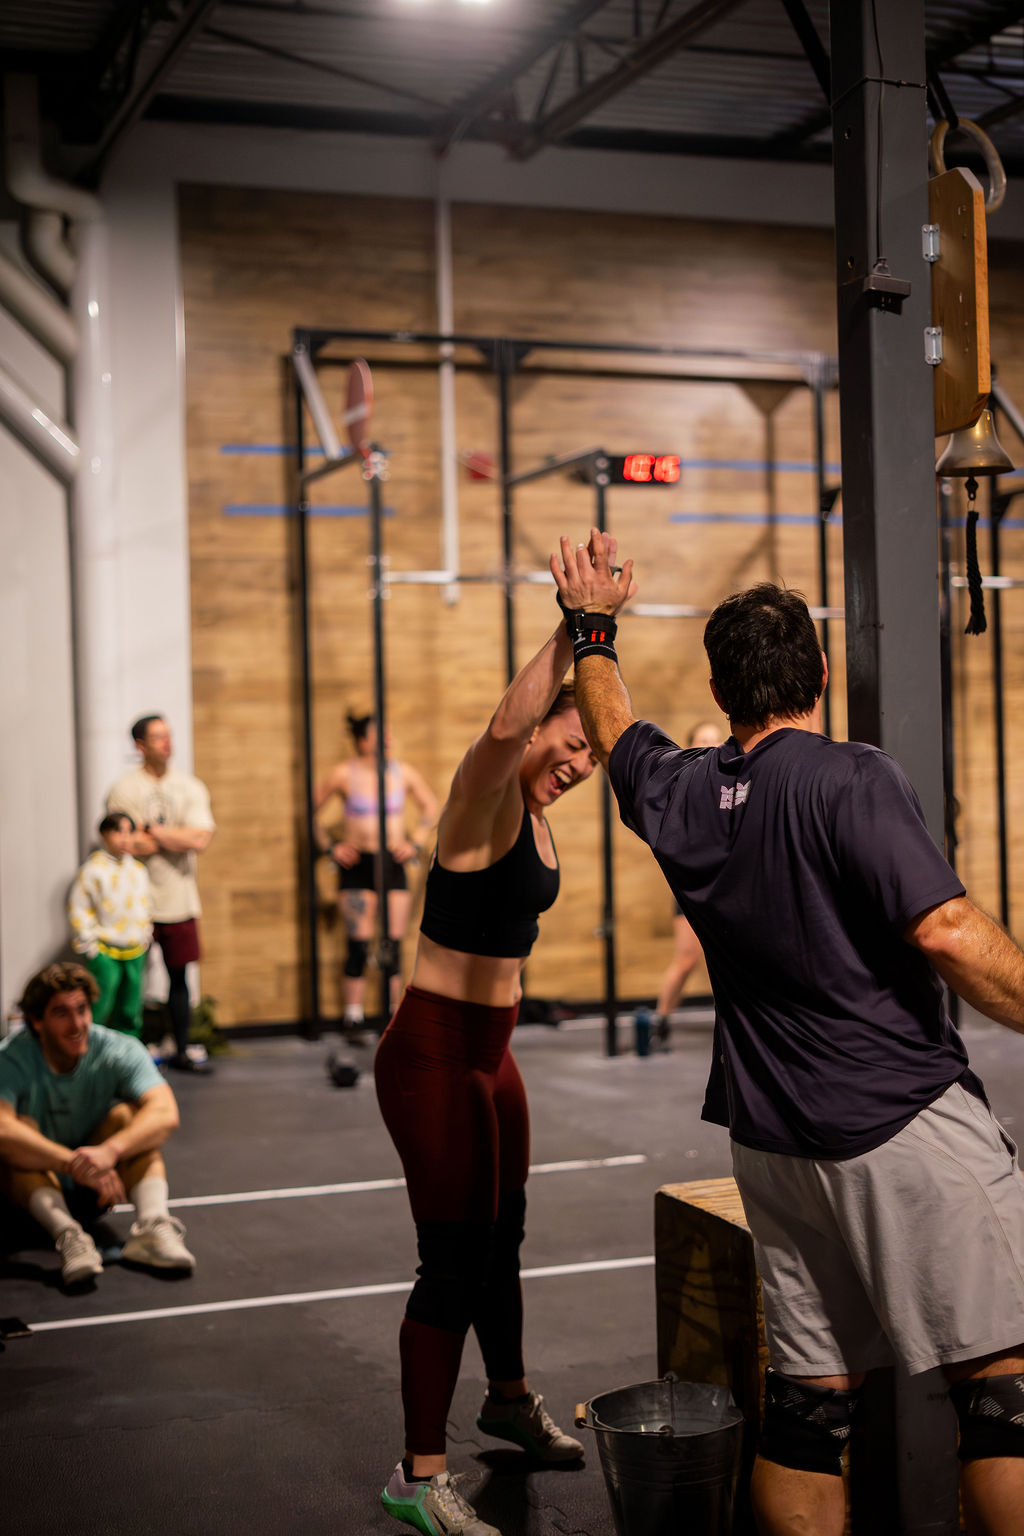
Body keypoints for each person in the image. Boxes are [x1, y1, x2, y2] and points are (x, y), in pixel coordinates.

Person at [551, 529, 1024, 1536]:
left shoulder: (678, 791)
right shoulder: (851, 778)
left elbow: (614, 730)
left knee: (809, 1410)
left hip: (771, 1144)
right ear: (820, 674)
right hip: (899, 1120)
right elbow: (946, 930)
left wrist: (592, 630)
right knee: (1003, 1393)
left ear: (722, 691)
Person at [374, 620, 600, 1536]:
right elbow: (503, 730)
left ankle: (506, 1400)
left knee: (504, 1239)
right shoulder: (482, 798)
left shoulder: (537, 821)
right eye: (572, 743)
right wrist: (575, 627)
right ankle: (418, 1476)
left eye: (592, 757)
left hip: (491, 1055)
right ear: (541, 723)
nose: (579, 765)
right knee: (453, 1262)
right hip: (433, 1054)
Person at [0, 961, 195, 1287]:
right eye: (61, 1013)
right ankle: (69, 1236)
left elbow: (165, 1112)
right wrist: (72, 1163)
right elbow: (3, 1130)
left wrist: (109, 1151)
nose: (77, 1024)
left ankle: (152, 1227)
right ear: (36, 1021)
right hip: (28, 1202)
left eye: (82, 1009)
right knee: (19, 1130)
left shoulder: (117, 1049)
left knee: (129, 1119)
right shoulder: (11, 1058)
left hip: (95, 1190)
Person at [314, 709, 438, 1035]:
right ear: (362, 741)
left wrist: (416, 842)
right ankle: (353, 1017)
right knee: (358, 945)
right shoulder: (344, 774)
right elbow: (311, 812)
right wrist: (330, 848)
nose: (388, 740)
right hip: (358, 864)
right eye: (380, 735)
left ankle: (394, 1015)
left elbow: (431, 806)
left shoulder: (402, 773)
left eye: (389, 734)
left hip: (392, 862)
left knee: (391, 946)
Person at [107, 715, 216, 1073]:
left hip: (179, 899)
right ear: (140, 745)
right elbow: (125, 842)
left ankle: (181, 1048)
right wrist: (176, 836)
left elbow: (200, 838)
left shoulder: (189, 787)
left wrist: (151, 831)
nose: (167, 743)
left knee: (179, 977)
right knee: (130, 979)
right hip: (134, 901)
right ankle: (126, 1055)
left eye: (168, 736)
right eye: (157, 737)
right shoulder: (125, 790)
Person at [650, 721, 721, 1049]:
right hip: (694, 883)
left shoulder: (732, 784)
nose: (710, 746)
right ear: (690, 746)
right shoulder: (684, 786)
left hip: (726, 885)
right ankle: (660, 1022)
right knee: (687, 958)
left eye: (715, 741)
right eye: (703, 740)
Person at [68, 812, 153, 1038]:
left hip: (134, 949)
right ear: (104, 834)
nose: (124, 838)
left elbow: (146, 904)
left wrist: (145, 934)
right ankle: (92, 1049)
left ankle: (128, 1049)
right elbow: (79, 908)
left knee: (130, 1007)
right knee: (101, 1004)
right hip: (105, 949)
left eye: (129, 832)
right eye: (117, 831)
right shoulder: (93, 870)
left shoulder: (138, 870)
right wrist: (90, 944)